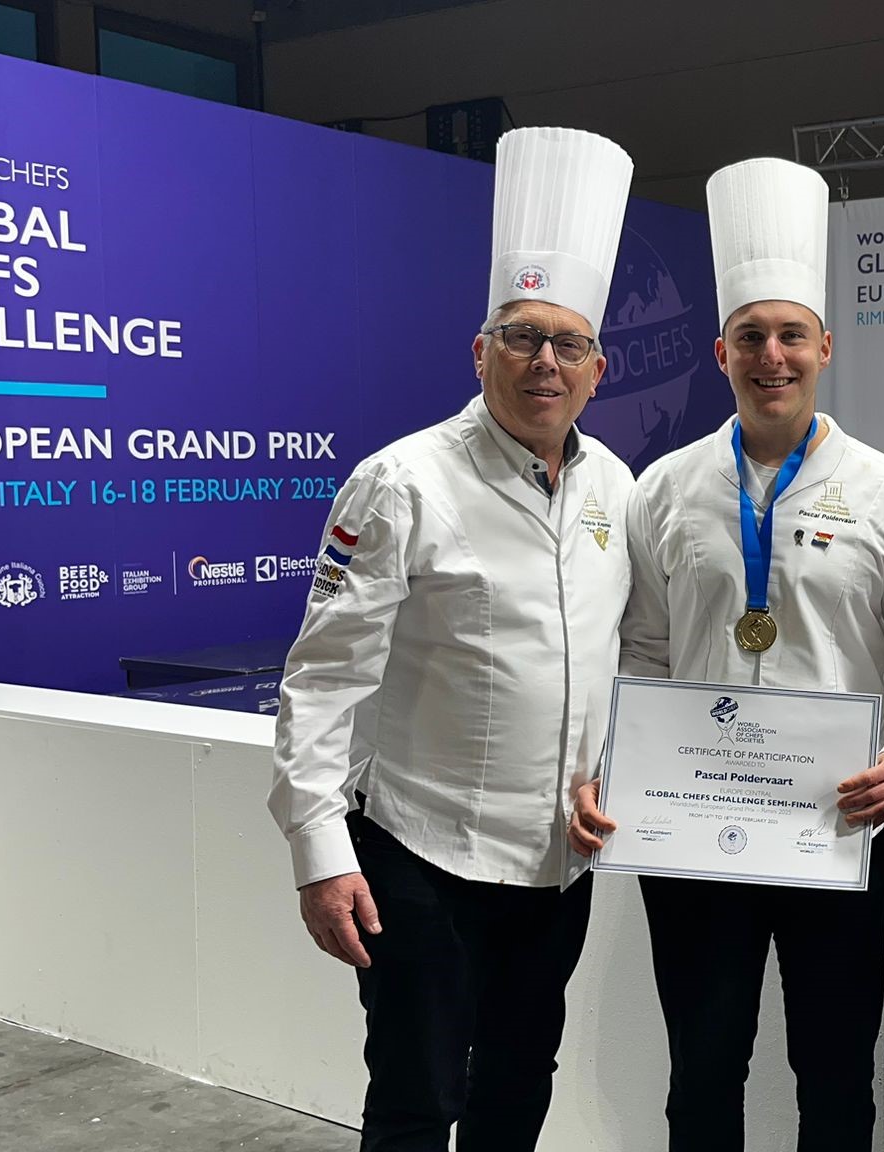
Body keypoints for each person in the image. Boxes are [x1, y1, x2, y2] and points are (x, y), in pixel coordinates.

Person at [571, 156, 884, 1151]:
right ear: (721, 350)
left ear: (824, 347)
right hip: (693, 837)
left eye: (791, 335)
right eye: (751, 337)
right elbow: (642, 650)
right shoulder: (662, 488)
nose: (770, 356)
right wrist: (632, 763)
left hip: (835, 827)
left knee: (834, 1069)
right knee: (701, 1069)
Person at [268, 126, 637, 1152]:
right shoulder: (399, 483)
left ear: (598, 369)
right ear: (480, 351)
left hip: (557, 861)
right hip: (420, 856)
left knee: (520, 1085)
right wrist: (317, 854)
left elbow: (633, 653)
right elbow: (321, 681)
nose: (543, 362)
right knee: (417, 1098)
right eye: (521, 337)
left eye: (567, 344)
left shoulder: (616, 487)